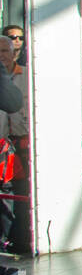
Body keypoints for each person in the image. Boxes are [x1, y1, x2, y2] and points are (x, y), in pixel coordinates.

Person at [0, 37, 29, 261]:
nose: (2, 55)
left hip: (21, 143)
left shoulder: (26, 75)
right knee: (6, 194)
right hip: (2, 145)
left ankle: (19, 239)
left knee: (20, 191)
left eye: (5, 50)